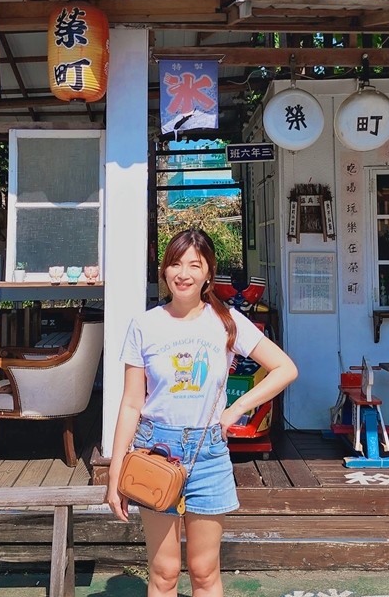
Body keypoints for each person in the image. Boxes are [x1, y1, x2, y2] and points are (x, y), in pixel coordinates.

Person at [106, 228, 298, 597]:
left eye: (195, 265)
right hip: (154, 450)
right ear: (163, 271)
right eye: (175, 264)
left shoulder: (226, 322)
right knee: (163, 572)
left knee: (204, 570)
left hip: (208, 452)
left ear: (209, 273)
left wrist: (236, 409)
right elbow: (131, 402)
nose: (184, 273)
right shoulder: (145, 325)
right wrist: (116, 473)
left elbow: (285, 368)